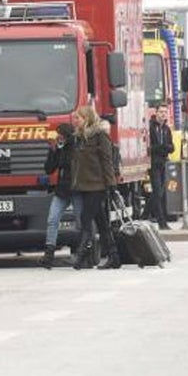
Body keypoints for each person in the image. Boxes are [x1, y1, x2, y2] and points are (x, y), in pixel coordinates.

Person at [71, 105, 120, 270]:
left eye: (78, 118)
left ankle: (81, 255)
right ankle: (114, 256)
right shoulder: (79, 137)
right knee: (101, 221)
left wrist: (111, 184)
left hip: (97, 185)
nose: (75, 121)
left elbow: (107, 161)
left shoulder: (100, 136)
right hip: (84, 185)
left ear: (87, 119)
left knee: (86, 218)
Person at [39, 123, 82, 269]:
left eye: (61, 135)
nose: (59, 138)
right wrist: (53, 151)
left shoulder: (76, 147)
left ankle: (83, 252)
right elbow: (49, 169)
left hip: (77, 189)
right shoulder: (60, 149)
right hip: (62, 189)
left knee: (80, 221)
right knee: (52, 219)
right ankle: (49, 253)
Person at [148, 104, 174, 230]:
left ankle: (144, 215)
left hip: (164, 162)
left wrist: (162, 147)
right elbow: (151, 147)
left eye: (165, 112)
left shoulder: (167, 129)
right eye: (161, 112)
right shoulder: (151, 127)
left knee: (160, 193)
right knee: (157, 192)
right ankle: (161, 222)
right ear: (156, 113)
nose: (163, 114)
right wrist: (163, 147)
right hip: (154, 164)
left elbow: (171, 147)